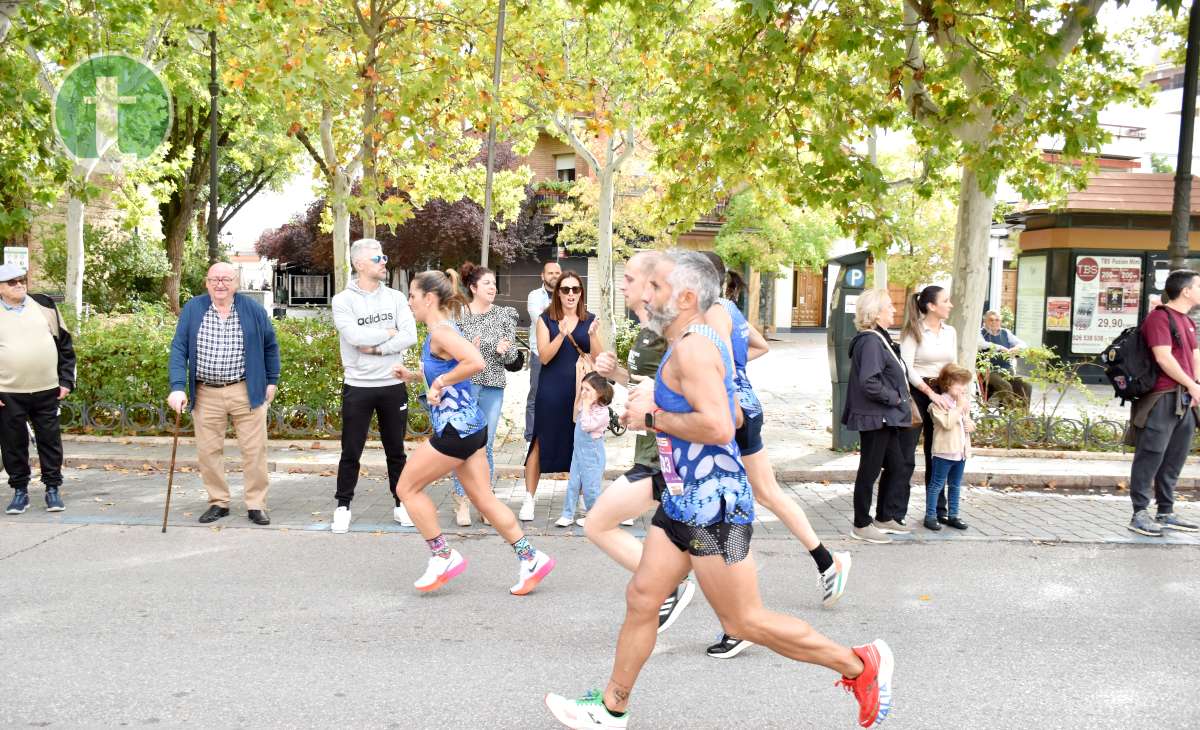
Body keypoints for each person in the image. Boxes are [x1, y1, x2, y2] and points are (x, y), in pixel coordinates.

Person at [545, 250, 893, 730]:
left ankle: (860, 665)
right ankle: (611, 708)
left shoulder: (693, 347)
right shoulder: (685, 340)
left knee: (744, 621)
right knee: (644, 596)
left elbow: (720, 425)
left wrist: (650, 417)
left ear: (685, 298)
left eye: (658, 288)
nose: (647, 294)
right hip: (683, 499)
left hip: (714, 510)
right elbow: (723, 412)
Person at [700, 251, 850, 659]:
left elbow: (716, 368)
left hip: (728, 415)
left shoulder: (712, 311)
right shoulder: (728, 307)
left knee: (723, 513)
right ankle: (826, 561)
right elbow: (760, 346)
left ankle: (740, 620)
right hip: (748, 408)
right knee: (765, 494)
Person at [392, 269, 556, 594]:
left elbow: (476, 362)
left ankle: (443, 556)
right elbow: (454, 368)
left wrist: (438, 382)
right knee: (483, 498)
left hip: (455, 430)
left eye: (412, 295)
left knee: (407, 489)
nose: (408, 302)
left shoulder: (441, 331)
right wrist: (415, 376)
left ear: (428, 298)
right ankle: (531, 558)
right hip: (471, 428)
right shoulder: (444, 330)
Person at [590, 250, 695, 634]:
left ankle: (677, 590)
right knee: (701, 549)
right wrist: (615, 372)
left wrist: (652, 413)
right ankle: (733, 617)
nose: (623, 284)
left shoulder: (673, 330)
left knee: (600, 523)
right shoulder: (649, 329)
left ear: (653, 285)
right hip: (657, 453)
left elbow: (683, 388)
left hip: (669, 456)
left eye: (631, 279)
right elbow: (647, 383)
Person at [168, 262, 280, 525]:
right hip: (205, 392)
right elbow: (179, 349)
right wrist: (176, 387)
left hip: (245, 389)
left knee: (254, 451)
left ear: (236, 283)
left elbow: (270, 346)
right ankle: (219, 502)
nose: (220, 284)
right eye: (215, 279)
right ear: (206, 282)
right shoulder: (194, 308)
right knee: (208, 452)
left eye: (226, 279)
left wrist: (272, 380)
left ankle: (255, 504)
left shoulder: (252, 309)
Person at [329, 239, 419, 534]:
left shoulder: (395, 297)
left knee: (396, 450)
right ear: (359, 264)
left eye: (384, 256)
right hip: (358, 386)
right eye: (378, 258)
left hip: (392, 384)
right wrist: (387, 332)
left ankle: (401, 504)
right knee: (350, 450)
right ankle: (343, 507)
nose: (385, 262)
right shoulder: (343, 300)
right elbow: (354, 336)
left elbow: (409, 335)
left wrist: (378, 346)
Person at [522, 270, 603, 521]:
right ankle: (529, 499)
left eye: (575, 289)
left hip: (581, 392)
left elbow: (599, 359)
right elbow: (544, 356)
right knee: (539, 442)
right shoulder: (545, 319)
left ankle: (578, 499)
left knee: (579, 445)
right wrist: (561, 333)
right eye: (565, 289)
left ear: (581, 293)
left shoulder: (590, 319)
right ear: (557, 293)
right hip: (552, 390)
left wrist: (592, 335)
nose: (570, 294)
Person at [1124, 270, 1200, 537]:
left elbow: (1194, 355)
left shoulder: (1188, 321)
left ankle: (1165, 511)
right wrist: (1191, 385)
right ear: (1186, 291)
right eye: (1199, 285)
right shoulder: (1160, 318)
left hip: (1184, 398)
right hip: (1161, 398)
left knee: (1175, 457)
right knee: (1151, 454)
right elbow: (1163, 358)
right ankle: (1139, 513)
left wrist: (1195, 386)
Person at [0, 264, 74, 516]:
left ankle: (52, 488)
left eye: (22, 279)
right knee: (13, 444)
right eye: (12, 282)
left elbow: (65, 344)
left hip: (47, 390)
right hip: (8, 393)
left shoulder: (44, 305)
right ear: (0, 288)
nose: (20, 284)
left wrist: (66, 380)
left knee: (50, 441)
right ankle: (20, 491)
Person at [449, 262, 520, 526]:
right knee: (464, 443)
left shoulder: (505, 315)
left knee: (485, 445)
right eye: (487, 283)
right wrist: (466, 348)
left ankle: (485, 503)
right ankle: (461, 501)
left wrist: (504, 350)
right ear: (473, 287)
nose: (493, 287)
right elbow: (449, 351)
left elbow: (513, 356)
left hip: (492, 385)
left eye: (494, 283)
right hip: (465, 386)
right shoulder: (459, 315)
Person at [842, 289, 914, 544]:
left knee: (897, 465)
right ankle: (861, 523)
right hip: (876, 417)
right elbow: (869, 382)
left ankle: (884, 517)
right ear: (876, 312)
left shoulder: (878, 337)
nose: (894, 310)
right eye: (890, 307)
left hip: (884, 416)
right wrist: (894, 398)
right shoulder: (871, 341)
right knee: (869, 470)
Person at [898, 285, 958, 528]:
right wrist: (929, 393)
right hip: (919, 394)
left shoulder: (950, 331)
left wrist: (957, 395)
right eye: (946, 300)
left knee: (940, 454)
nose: (950, 305)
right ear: (932, 306)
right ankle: (896, 512)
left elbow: (952, 364)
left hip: (944, 395)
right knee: (906, 455)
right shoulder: (913, 331)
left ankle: (937, 512)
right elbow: (907, 368)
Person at [556, 372, 613, 528]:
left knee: (590, 487)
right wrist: (586, 403)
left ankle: (594, 517)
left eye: (588, 390)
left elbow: (586, 426)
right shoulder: (586, 405)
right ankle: (567, 514)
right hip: (578, 451)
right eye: (583, 389)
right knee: (573, 483)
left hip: (592, 453)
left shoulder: (602, 412)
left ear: (599, 393)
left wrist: (587, 406)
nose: (583, 393)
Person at [924, 364, 974, 532]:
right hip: (944, 452)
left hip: (960, 452)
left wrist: (970, 424)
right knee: (937, 484)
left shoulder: (961, 403)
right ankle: (930, 516)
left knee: (955, 485)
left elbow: (966, 422)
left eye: (964, 384)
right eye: (959, 383)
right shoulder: (937, 404)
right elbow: (946, 424)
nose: (963, 388)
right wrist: (959, 407)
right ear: (947, 384)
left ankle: (953, 515)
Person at [525, 260, 561, 444]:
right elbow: (540, 319)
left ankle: (554, 436)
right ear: (543, 276)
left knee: (559, 395)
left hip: (563, 353)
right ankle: (530, 438)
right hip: (539, 353)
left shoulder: (566, 294)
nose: (554, 276)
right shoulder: (534, 295)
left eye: (557, 273)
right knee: (536, 396)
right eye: (550, 273)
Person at [978, 310, 1031, 406]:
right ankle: (1010, 416)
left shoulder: (1005, 333)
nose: (994, 322)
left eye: (997, 320)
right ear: (984, 321)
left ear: (1000, 322)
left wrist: (1016, 348)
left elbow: (1023, 344)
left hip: (1007, 371)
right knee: (1005, 385)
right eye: (991, 320)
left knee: (1026, 385)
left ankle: (1022, 417)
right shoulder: (981, 333)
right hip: (990, 372)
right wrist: (1001, 348)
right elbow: (982, 345)